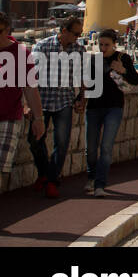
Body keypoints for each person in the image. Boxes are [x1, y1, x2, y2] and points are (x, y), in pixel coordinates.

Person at [31, 15, 87, 199]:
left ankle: (51, 181)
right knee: (34, 141)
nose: (78, 38)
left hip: (64, 101)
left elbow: (82, 76)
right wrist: (27, 104)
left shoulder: (79, 50)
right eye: (75, 34)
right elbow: (30, 78)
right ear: (64, 31)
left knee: (62, 143)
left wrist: (82, 97)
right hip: (42, 101)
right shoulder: (42, 46)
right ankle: (45, 174)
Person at [84, 29, 138, 196]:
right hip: (93, 106)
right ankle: (92, 177)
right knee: (91, 148)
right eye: (100, 44)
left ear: (114, 44)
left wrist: (122, 70)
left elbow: (135, 80)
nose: (103, 48)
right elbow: (87, 82)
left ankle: (100, 184)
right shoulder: (94, 60)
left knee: (106, 146)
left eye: (106, 45)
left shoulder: (123, 58)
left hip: (114, 107)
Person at [0, 13, 44, 194]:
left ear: (8, 30)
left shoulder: (20, 53)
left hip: (9, 118)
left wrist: (38, 119)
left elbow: (30, 89)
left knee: (1, 168)